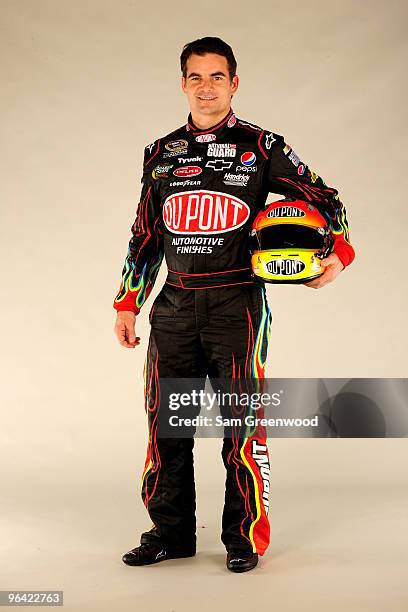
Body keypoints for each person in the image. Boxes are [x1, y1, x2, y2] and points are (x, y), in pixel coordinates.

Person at [113, 37, 355, 573]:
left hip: (237, 305)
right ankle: (169, 533)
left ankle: (243, 539)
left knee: (241, 426)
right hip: (173, 306)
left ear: (234, 83)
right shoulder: (160, 153)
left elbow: (325, 198)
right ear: (182, 84)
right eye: (195, 77)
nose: (206, 87)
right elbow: (145, 235)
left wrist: (337, 254)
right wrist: (127, 301)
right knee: (166, 424)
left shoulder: (263, 147)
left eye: (216, 77)